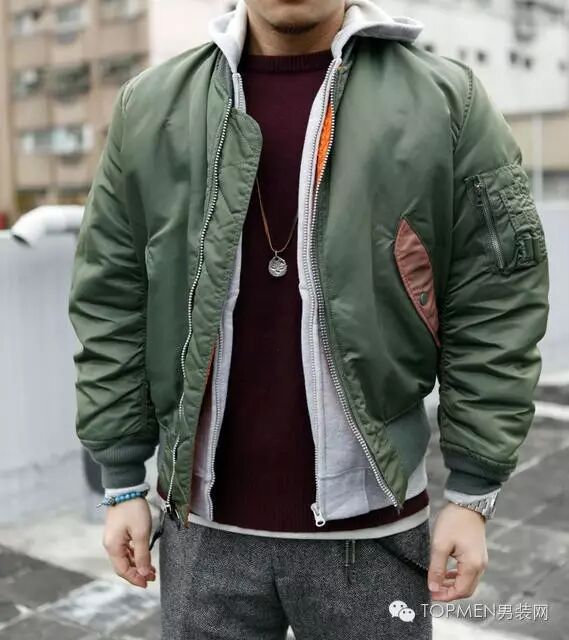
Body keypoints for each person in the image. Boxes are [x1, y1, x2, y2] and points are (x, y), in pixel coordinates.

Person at [67, 0, 549, 638]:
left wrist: (472, 492)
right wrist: (124, 481)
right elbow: (112, 297)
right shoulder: (150, 107)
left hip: (374, 532)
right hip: (200, 531)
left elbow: (496, 300)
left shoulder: (446, 101)